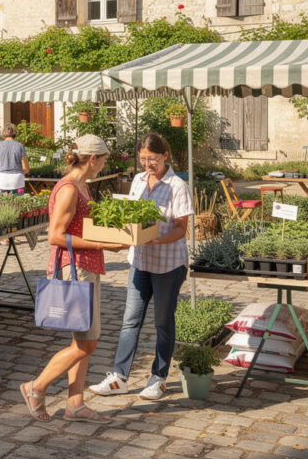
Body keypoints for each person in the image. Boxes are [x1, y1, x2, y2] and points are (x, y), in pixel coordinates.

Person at [19, 134, 127, 424]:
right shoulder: (69, 189)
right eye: (103, 161)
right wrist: (103, 244)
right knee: (87, 344)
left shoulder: (82, 185)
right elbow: (55, 236)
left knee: (82, 339)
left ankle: (75, 405)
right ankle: (36, 387)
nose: (103, 166)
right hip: (77, 268)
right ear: (92, 159)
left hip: (87, 266)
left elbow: (81, 226)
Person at [90, 133, 193, 401]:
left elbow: (181, 228)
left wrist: (157, 238)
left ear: (165, 155)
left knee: (163, 322)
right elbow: (131, 216)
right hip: (139, 261)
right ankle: (119, 377)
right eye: (144, 159)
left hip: (168, 264)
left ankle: (158, 378)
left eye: (153, 159)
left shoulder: (178, 186)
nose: (148, 164)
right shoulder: (137, 180)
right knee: (130, 320)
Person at [0, 123, 29, 195]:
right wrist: (20, 172)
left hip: (2, 179)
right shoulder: (20, 146)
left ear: (3, 132)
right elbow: (26, 168)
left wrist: (2, 168)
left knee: (2, 202)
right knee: (18, 202)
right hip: (17, 180)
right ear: (15, 132)